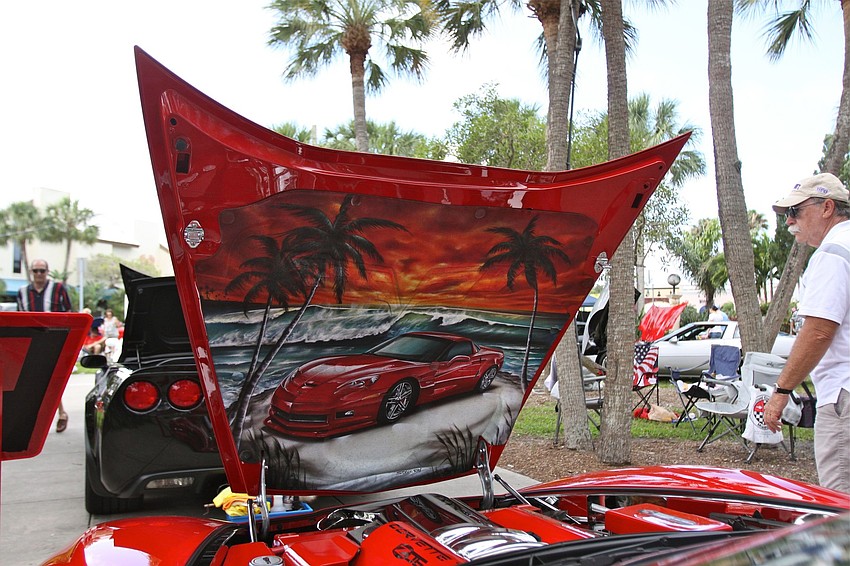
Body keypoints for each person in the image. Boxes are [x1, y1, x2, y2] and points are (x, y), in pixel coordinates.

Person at [764, 172, 850, 493]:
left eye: (795, 212)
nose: (789, 222)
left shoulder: (832, 252)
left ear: (827, 207)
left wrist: (782, 392)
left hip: (843, 394)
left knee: (841, 507)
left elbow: (818, 331)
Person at [16, 259, 73, 432]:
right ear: (31, 272)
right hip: (31, 341)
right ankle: (47, 416)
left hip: (53, 340)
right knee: (31, 380)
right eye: (36, 271)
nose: (39, 274)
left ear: (47, 271)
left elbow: (69, 314)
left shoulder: (58, 289)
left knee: (51, 378)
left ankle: (60, 413)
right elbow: (19, 318)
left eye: (42, 270)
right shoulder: (22, 292)